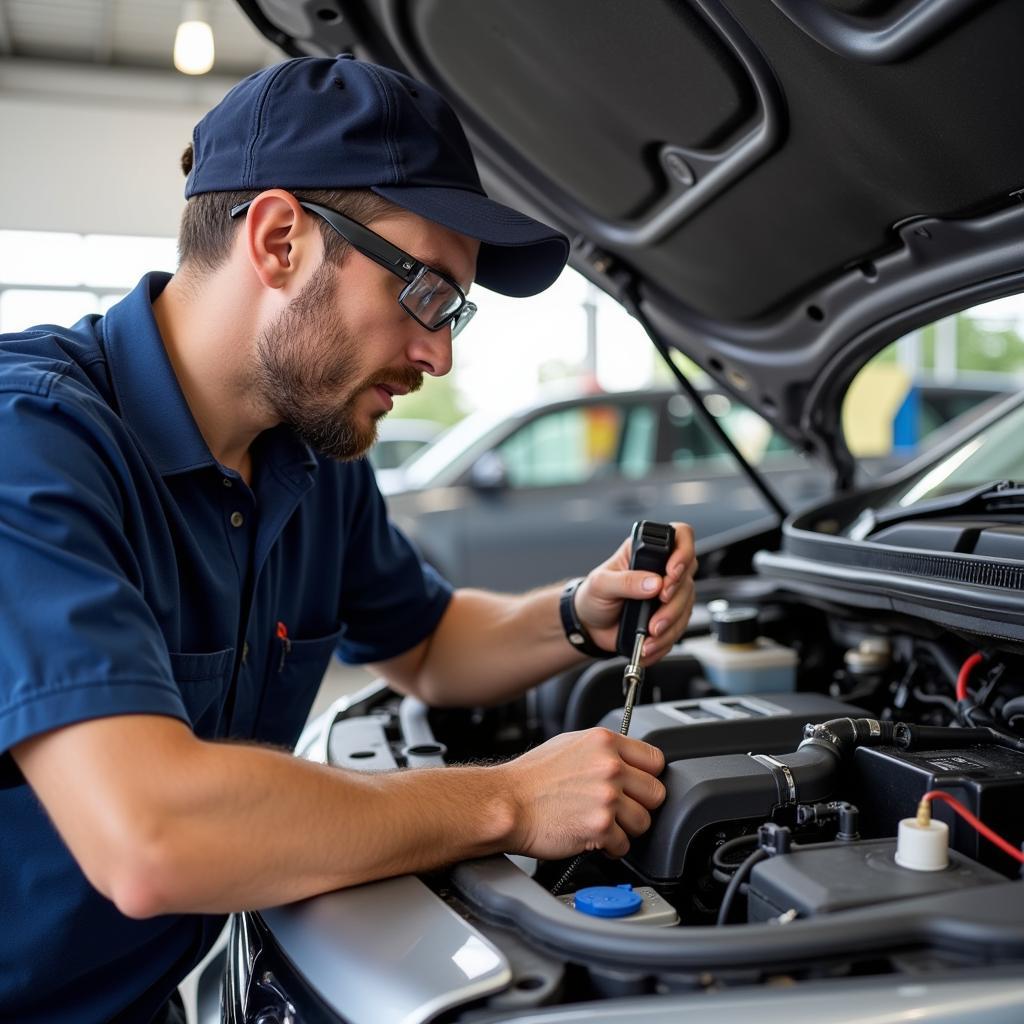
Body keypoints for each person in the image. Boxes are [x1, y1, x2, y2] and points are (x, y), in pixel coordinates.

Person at [0, 54, 696, 1022]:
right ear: (280, 239)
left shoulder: (312, 461)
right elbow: (148, 836)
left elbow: (424, 644)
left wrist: (580, 614)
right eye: (424, 291)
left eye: (454, 311)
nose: (439, 352)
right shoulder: (30, 446)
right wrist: (508, 800)